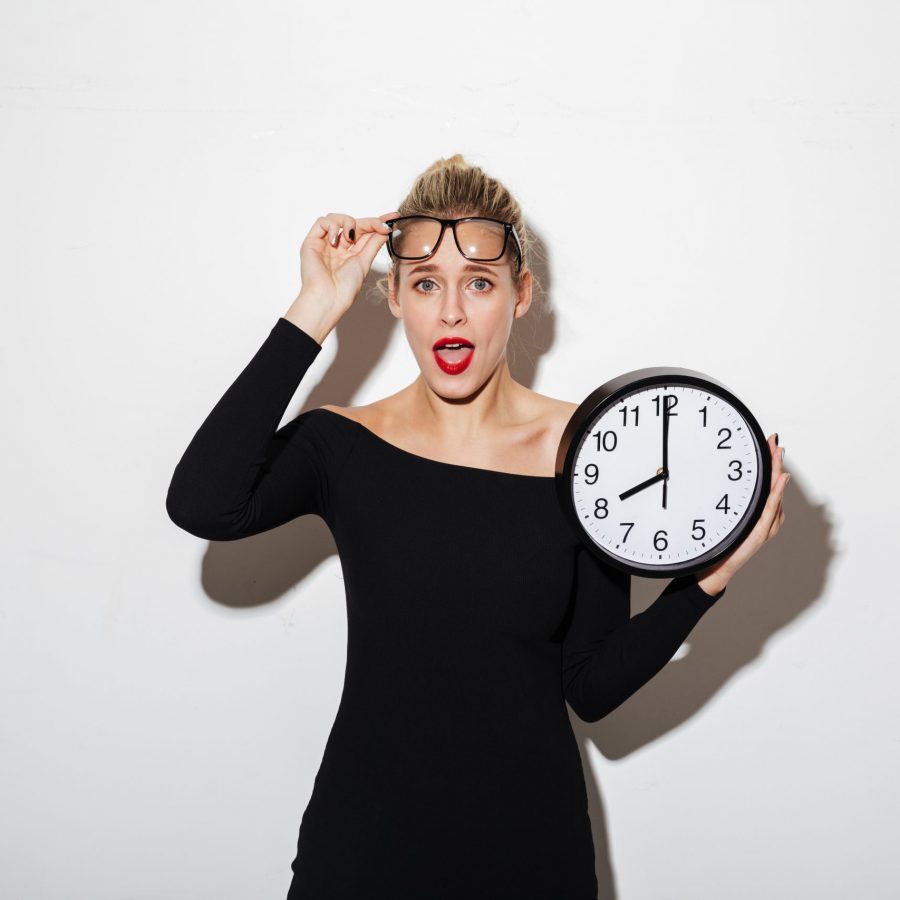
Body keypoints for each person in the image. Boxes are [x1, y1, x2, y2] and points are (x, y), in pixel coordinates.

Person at [166, 155, 788, 899]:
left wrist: (707, 583)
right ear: (392, 295)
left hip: (530, 856)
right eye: (425, 283)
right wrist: (315, 308)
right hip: (362, 853)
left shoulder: (587, 454)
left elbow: (588, 685)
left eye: (480, 283)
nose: (451, 312)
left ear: (520, 295)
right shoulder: (342, 445)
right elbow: (202, 502)